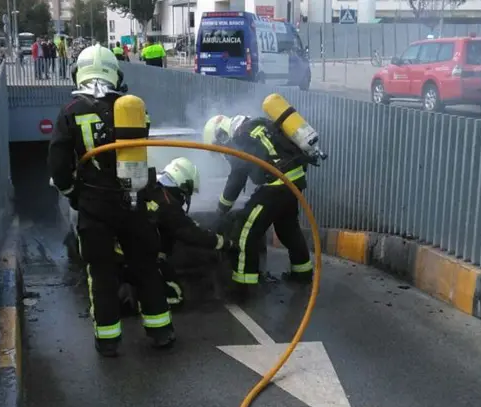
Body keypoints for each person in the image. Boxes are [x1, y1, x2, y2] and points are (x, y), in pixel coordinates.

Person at [48, 44, 174, 357]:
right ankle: (161, 333)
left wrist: (73, 195)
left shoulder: (69, 112)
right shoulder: (131, 107)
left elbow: (58, 167)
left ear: (79, 73)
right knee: (146, 267)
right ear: (114, 74)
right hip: (134, 200)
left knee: (102, 273)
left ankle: (108, 341)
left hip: (94, 206)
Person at [202, 113, 313, 295]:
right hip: (295, 180)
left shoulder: (240, 138)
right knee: (288, 229)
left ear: (221, 135)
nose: (222, 151)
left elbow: (237, 178)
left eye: (218, 146)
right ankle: (302, 273)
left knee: (246, 232)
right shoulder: (256, 125)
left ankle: (243, 285)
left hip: (277, 185)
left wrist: (221, 209)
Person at [117, 157, 236, 308]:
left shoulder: (151, 190)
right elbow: (189, 232)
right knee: (174, 295)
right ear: (183, 184)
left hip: (119, 253)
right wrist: (225, 243)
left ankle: (128, 289)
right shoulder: (167, 203)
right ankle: (136, 296)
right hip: (137, 258)